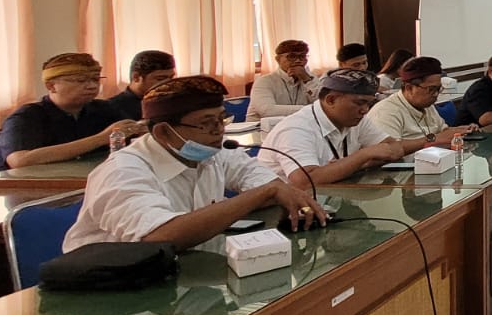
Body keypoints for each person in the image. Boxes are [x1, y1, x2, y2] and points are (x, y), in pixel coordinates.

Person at [62, 76, 326, 252]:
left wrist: (272, 191)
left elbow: (271, 187)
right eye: (206, 123)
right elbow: (161, 237)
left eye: (222, 119)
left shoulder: (214, 152)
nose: (218, 131)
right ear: (163, 132)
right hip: (113, 290)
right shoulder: (123, 172)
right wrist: (265, 192)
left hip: (185, 269)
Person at [0, 52, 144, 171]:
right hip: (24, 189)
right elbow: (20, 161)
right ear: (51, 86)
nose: (92, 86)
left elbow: (134, 137)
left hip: (81, 182)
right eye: (81, 81)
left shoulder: (104, 109)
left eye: (96, 79)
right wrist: (101, 138)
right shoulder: (27, 116)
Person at [260, 69, 408, 187]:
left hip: (330, 197)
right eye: (359, 103)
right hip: (279, 209)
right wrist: (363, 155)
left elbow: (394, 148)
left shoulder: (355, 119)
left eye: (369, 103)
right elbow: (306, 182)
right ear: (331, 100)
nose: (365, 110)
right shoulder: (296, 130)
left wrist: (348, 165)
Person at [365, 56, 471, 142]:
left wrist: (462, 130)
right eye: (431, 89)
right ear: (409, 88)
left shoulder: (427, 105)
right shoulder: (386, 112)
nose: (436, 94)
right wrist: (434, 139)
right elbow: (391, 150)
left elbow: (442, 131)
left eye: (438, 89)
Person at [247, 39, 316, 119]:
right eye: (292, 56)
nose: (298, 61)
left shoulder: (310, 78)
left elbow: (323, 104)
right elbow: (267, 110)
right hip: (262, 125)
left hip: (298, 123)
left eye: (302, 56)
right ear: (278, 59)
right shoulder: (264, 81)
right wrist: (310, 109)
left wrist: (307, 80)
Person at [103, 49, 177, 121]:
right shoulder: (111, 109)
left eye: (171, 77)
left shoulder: (174, 102)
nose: (169, 83)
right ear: (136, 77)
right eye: (160, 79)